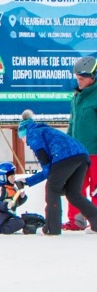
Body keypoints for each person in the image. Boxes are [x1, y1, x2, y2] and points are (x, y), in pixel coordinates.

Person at [17, 108, 97, 235]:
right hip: (82, 156)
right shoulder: (45, 130)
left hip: (64, 157)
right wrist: (27, 181)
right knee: (73, 194)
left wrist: (28, 181)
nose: (23, 142)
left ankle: (51, 228)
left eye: (21, 138)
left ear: (24, 133)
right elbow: (49, 168)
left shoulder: (33, 135)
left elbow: (47, 168)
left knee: (52, 188)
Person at [65, 56, 97, 229]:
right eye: (78, 78)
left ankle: (95, 221)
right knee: (75, 187)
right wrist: (68, 145)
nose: (79, 81)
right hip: (78, 152)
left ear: (94, 76)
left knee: (96, 188)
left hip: (95, 150)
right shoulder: (77, 96)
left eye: (82, 78)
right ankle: (76, 220)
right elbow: (72, 123)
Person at [0, 162, 42, 235]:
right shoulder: (0, 189)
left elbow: (16, 203)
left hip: (10, 215)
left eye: (14, 176)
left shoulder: (13, 189)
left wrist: (22, 197)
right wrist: (6, 205)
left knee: (20, 222)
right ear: (2, 178)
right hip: (0, 213)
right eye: (11, 177)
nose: (14, 178)